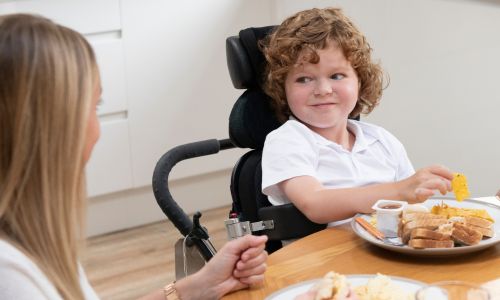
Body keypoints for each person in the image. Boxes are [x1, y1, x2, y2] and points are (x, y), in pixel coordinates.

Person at [0, 13, 267, 300]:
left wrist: (197, 286)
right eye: (94, 106)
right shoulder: (11, 273)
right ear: (55, 128)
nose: (96, 129)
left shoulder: (27, 244)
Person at [260, 7, 455, 227]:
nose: (323, 89)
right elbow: (313, 203)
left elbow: (411, 207)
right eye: (304, 79)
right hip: (322, 258)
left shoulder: (382, 141)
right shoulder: (288, 141)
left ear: (359, 81)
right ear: (282, 88)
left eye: (336, 75)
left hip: (388, 252)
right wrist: (399, 190)